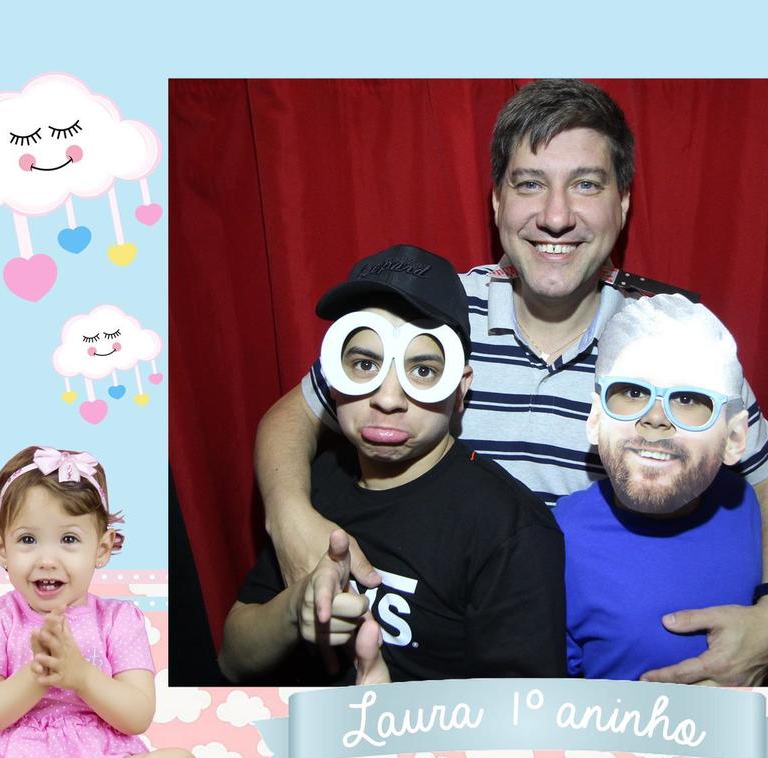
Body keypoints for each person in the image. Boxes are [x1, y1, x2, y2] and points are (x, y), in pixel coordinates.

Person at [255, 79, 768, 686]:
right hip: (449, 664)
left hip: (603, 673)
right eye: (529, 184)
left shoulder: (668, 338)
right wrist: (288, 517)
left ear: (623, 204)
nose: (555, 216)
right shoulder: (433, 316)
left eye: (586, 184)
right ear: (497, 202)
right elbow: (293, 416)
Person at [219, 244, 566, 684]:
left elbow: (523, 715)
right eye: (365, 364)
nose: (387, 399)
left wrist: (390, 714)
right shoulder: (315, 483)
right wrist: (294, 609)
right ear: (332, 378)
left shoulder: (508, 531)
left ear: (460, 389)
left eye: (422, 371)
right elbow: (231, 660)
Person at [0, 446, 201, 758]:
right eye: (28, 539)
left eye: (69, 539)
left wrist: (81, 676)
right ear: (0, 547)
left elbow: (137, 715)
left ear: (102, 548)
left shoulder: (119, 620)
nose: (47, 559)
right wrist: (37, 675)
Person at [559, 294, 764, 679]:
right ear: (595, 420)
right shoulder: (557, 538)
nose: (655, 418)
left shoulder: (748, 508)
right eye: (632, 393)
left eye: (687, 399)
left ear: (735, 438)